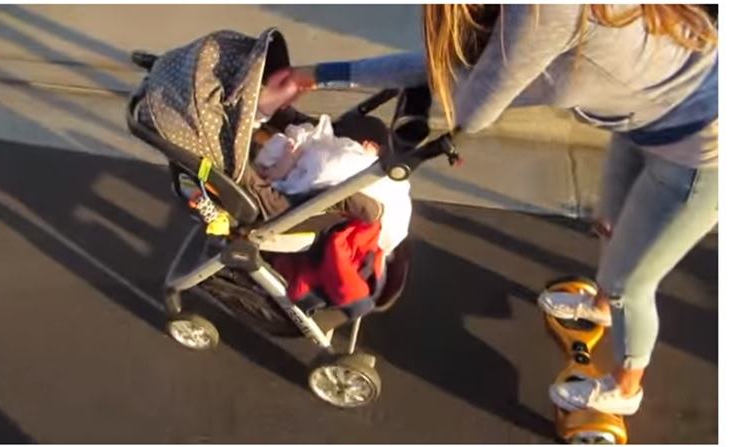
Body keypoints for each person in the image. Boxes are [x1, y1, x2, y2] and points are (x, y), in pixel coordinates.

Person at [256, 4, 718, 416]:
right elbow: (442, 68)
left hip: (707, 151)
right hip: (650, 121)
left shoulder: (539, 18)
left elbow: (471, 107)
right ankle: (599, 307)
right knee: (611, 223)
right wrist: (311, 75)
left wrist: (317, 76)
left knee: (629, 284)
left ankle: (624, 387)